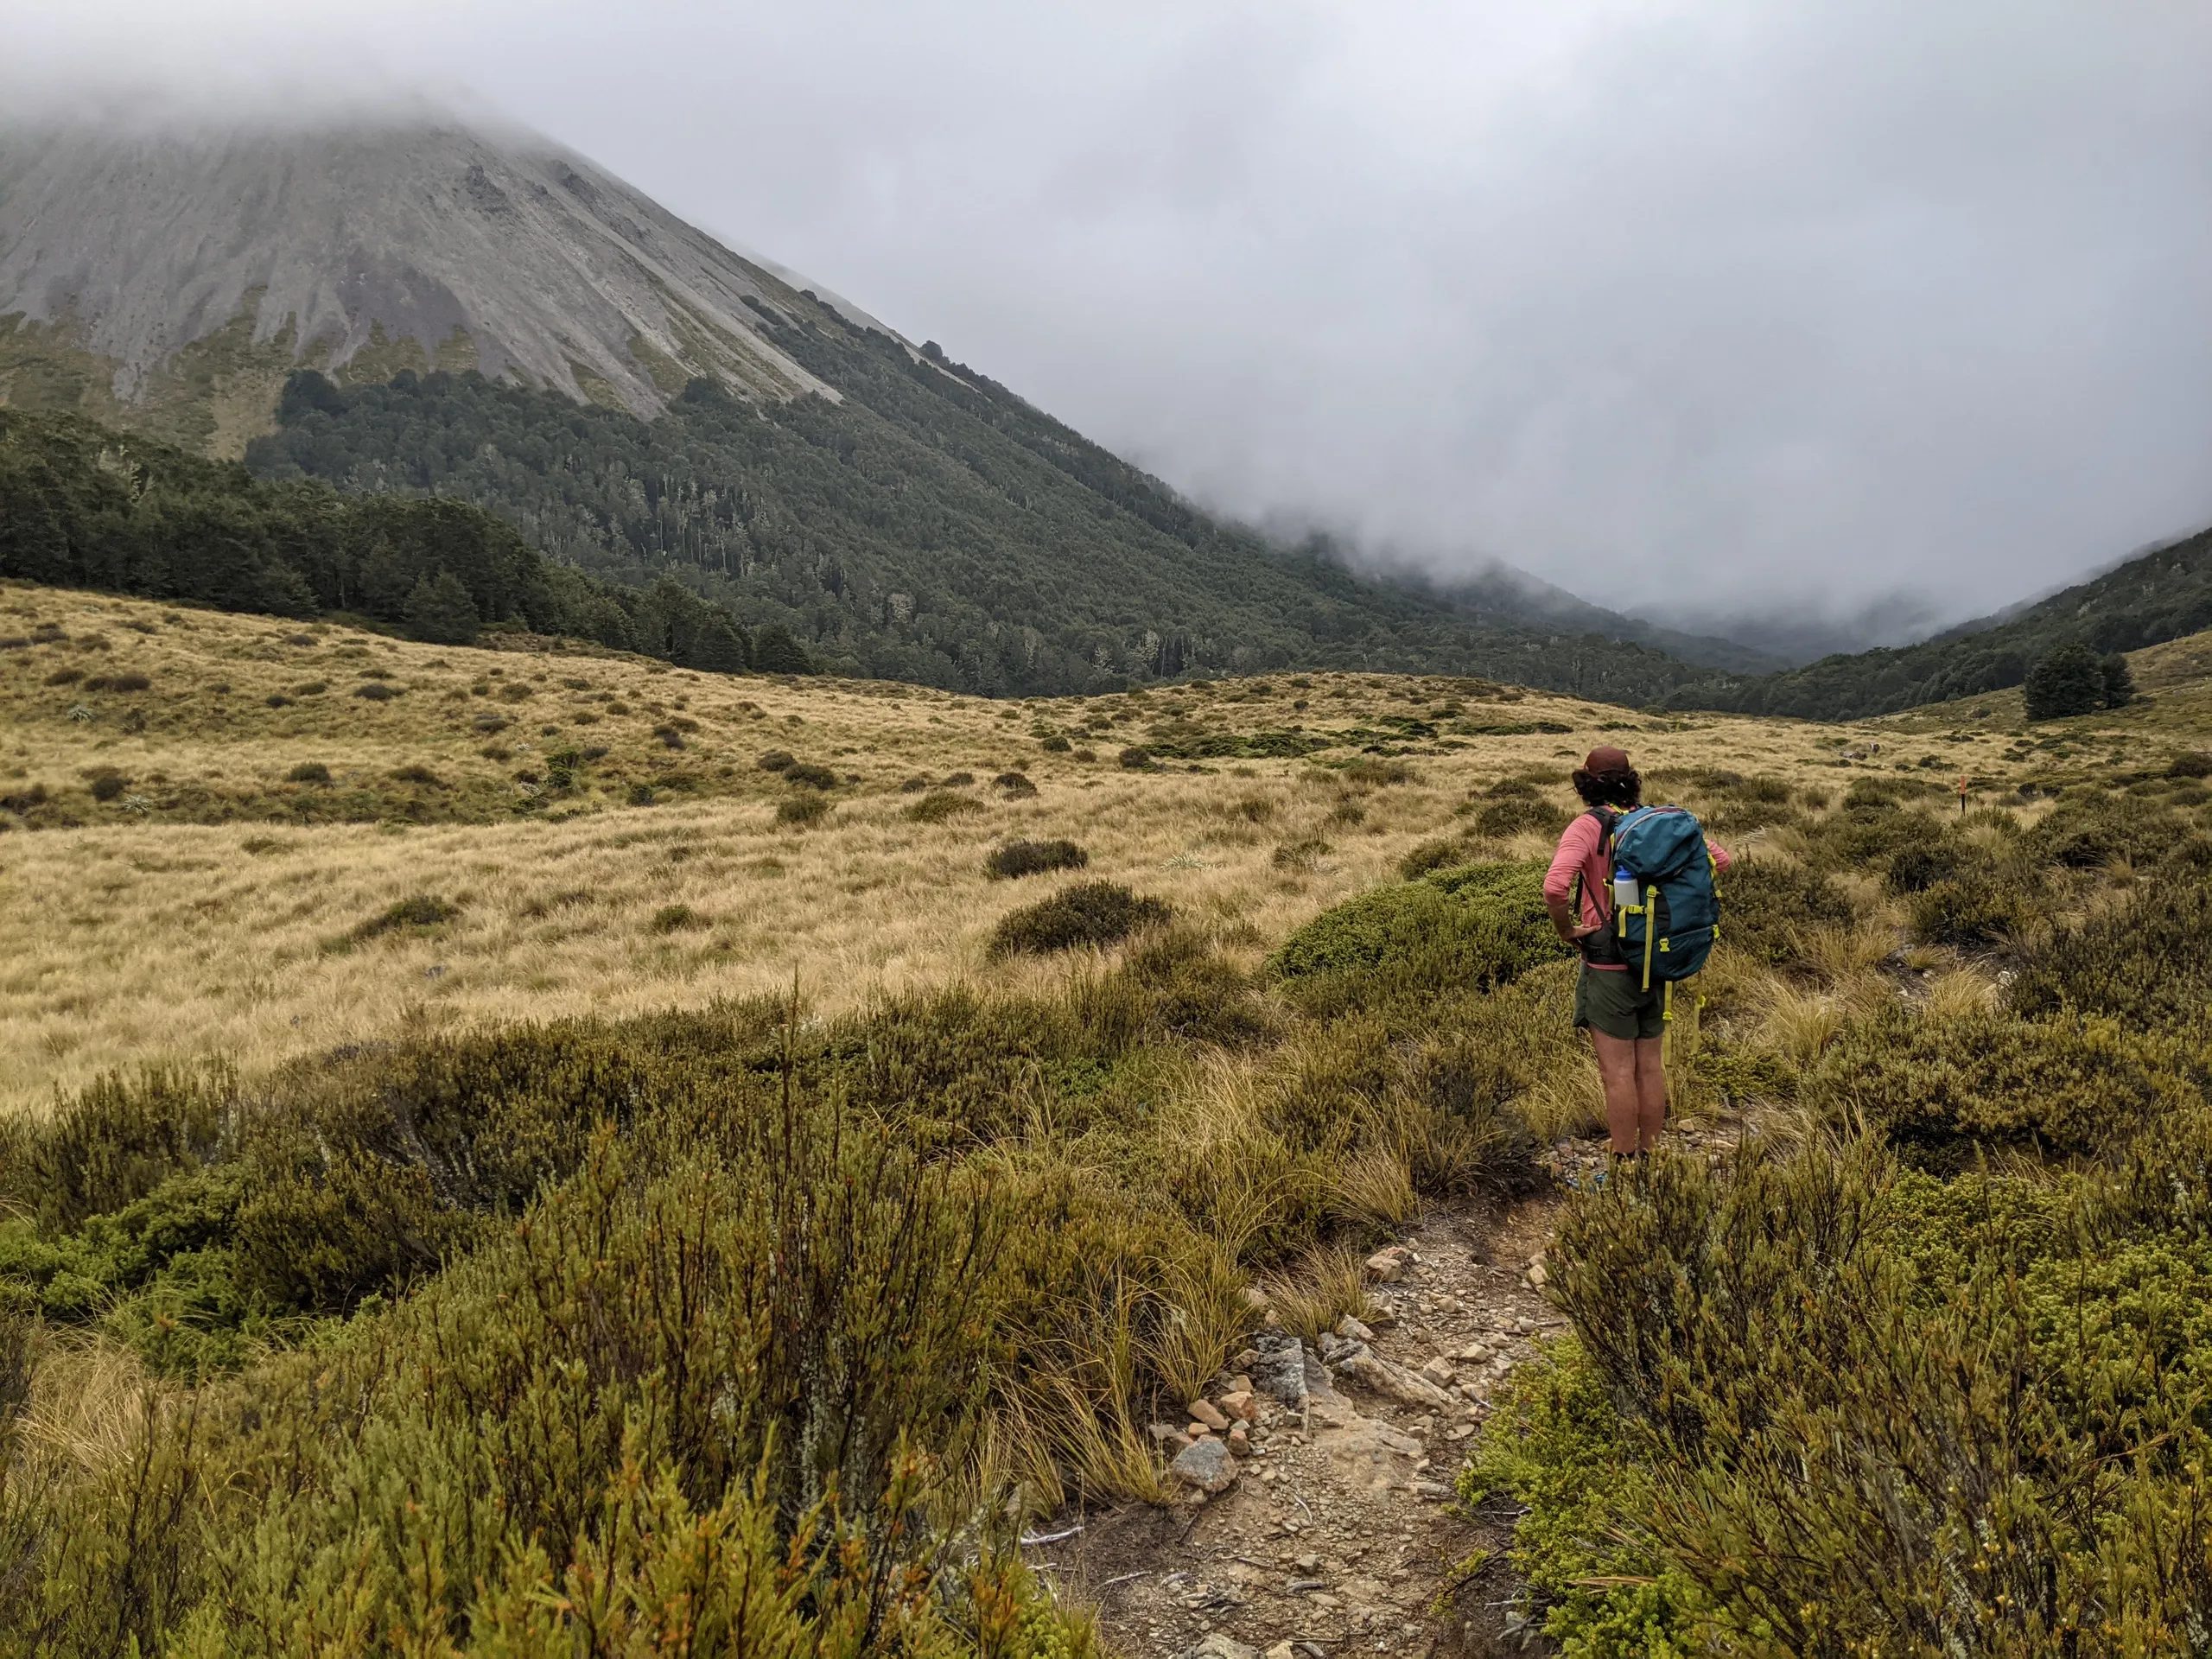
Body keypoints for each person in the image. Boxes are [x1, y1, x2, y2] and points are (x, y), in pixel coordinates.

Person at [1541, 747, 1730, 1158]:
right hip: (1658, 956)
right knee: (1649, 1066)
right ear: (1632, 780)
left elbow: (1555, 887)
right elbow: (1721, 859)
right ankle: (1652, 1151)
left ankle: (1623, 1158)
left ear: (1586, 785)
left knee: (1617, 1073)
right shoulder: (1660, 823)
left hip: (1608, 961)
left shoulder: (1587, 827)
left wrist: (1567, 930)